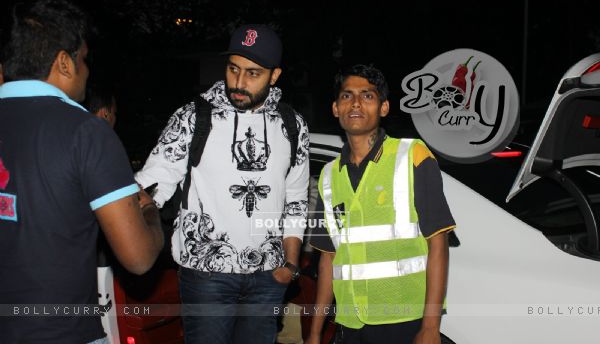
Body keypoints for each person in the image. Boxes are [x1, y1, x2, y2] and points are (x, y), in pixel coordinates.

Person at [0, 0, 164, 344]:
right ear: (64, 62)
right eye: (84, 59)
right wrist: (149, 212)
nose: (87, 71)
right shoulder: (86, 132)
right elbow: (137, 258)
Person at [135, 24, 310, 344]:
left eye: (253, 73)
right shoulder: (193, 117)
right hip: (206, 274)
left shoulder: (292, 125)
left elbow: (296, 200)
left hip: (269, 276)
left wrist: (291, 264)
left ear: (274, 76)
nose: (240, 82)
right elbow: (150, 188)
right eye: (233, 69)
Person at [306, 65, 456, 344]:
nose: (356, 103)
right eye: (347, 96)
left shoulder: (412, 155)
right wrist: (314, 334)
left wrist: (431, 326)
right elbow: (328, 259)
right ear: (336, 108)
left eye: (367, 96)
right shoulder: (328, 176)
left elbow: (438, 242)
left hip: (404, 320)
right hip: (350, 322)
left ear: (384, 107)